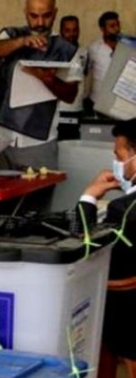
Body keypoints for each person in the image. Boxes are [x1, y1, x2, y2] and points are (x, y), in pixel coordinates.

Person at [0, 0, 81, 214]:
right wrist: (22, 41)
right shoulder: (11, 34)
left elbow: (71, 94)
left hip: (39, 142)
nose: (40, 22)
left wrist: (47, 79)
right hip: (2, 137)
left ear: (55, 13)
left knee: (36, 212)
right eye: (34, 16)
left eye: (46, 16)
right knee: (3, 212)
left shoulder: (67, 50)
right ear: (25, 12)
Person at [75, 118, 136, 361]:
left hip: (125, 320)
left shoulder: (124, 209)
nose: (117, 163)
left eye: (119, 156)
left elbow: (86, 249)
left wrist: (89, 196)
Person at [57, 15, 89, 139]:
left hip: (77, 109)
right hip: (60, 109)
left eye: (75, 30)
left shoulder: (84, 52)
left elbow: (85, 74)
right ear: (61, 32)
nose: (72, 34)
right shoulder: (55, 52)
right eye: (67, 30)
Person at [87, 11, 121, 111]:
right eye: (112, 26)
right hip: (97, 101)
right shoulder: (93, 48)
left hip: (120, 103)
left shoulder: (127, 47)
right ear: (102, 29)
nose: (116, 29)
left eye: (118, 25)